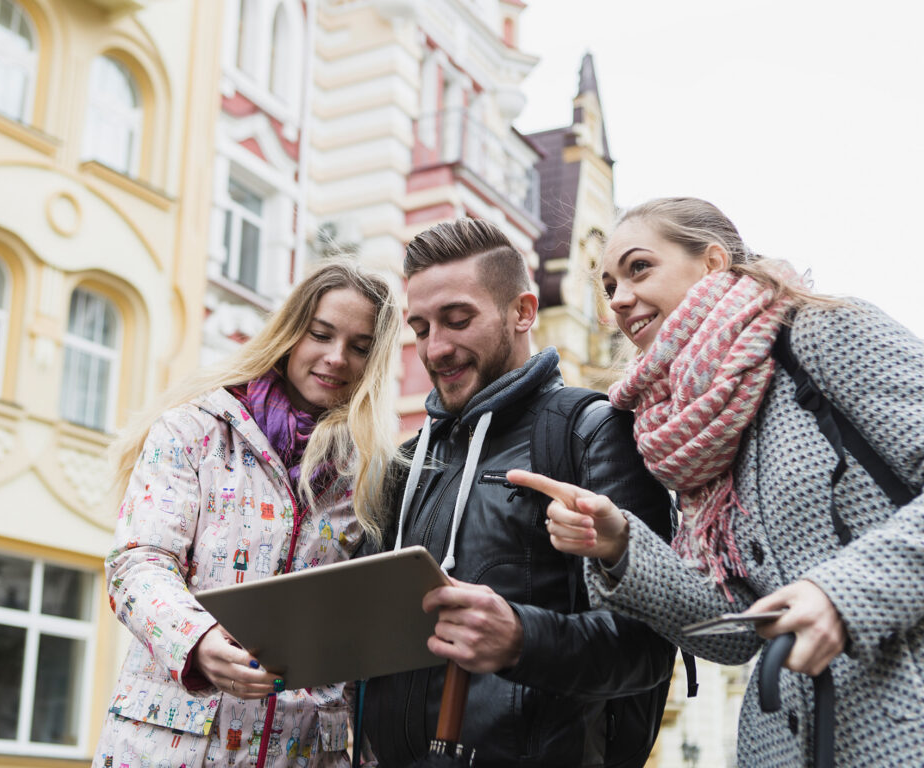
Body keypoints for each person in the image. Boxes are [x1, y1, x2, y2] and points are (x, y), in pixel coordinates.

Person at [509, 197, 924, 766]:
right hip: (786, 746)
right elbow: (732, 634)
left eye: (638, 268)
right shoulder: (684, 431)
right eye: (609, 287)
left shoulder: (822, 330)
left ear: (712, 263)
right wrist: (620, 546)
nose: (620, 298)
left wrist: (842, 596)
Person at [361, 218, 676, 767]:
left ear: (523, 312)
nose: (436, 349)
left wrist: (521, 639)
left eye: (458, 321)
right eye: (421, 328)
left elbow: (647, 648)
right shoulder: (407, 462)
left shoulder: (592, 431)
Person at [92, 259, 401, 768]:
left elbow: (367, 636)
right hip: (170, 745)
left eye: (361, 347)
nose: (336, 358)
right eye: (320, 334)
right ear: (290, 332)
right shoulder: (194, 430)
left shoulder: (371, 476)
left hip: (303, 752)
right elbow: (138, 563)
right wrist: (198, 640)